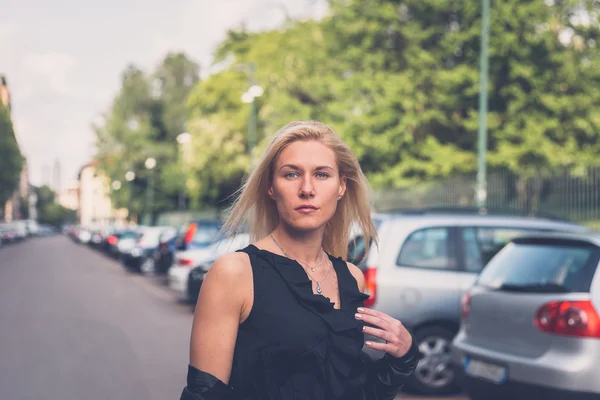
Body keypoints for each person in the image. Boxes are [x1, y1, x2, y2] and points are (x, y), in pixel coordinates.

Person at [180, 121, 419, 400]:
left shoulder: (351, 277)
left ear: (341, 187)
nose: (307, 188)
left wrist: (404, 356)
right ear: (271, 187)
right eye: (291, 175)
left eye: (322, 175)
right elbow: (204, 395)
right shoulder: (235, 272)